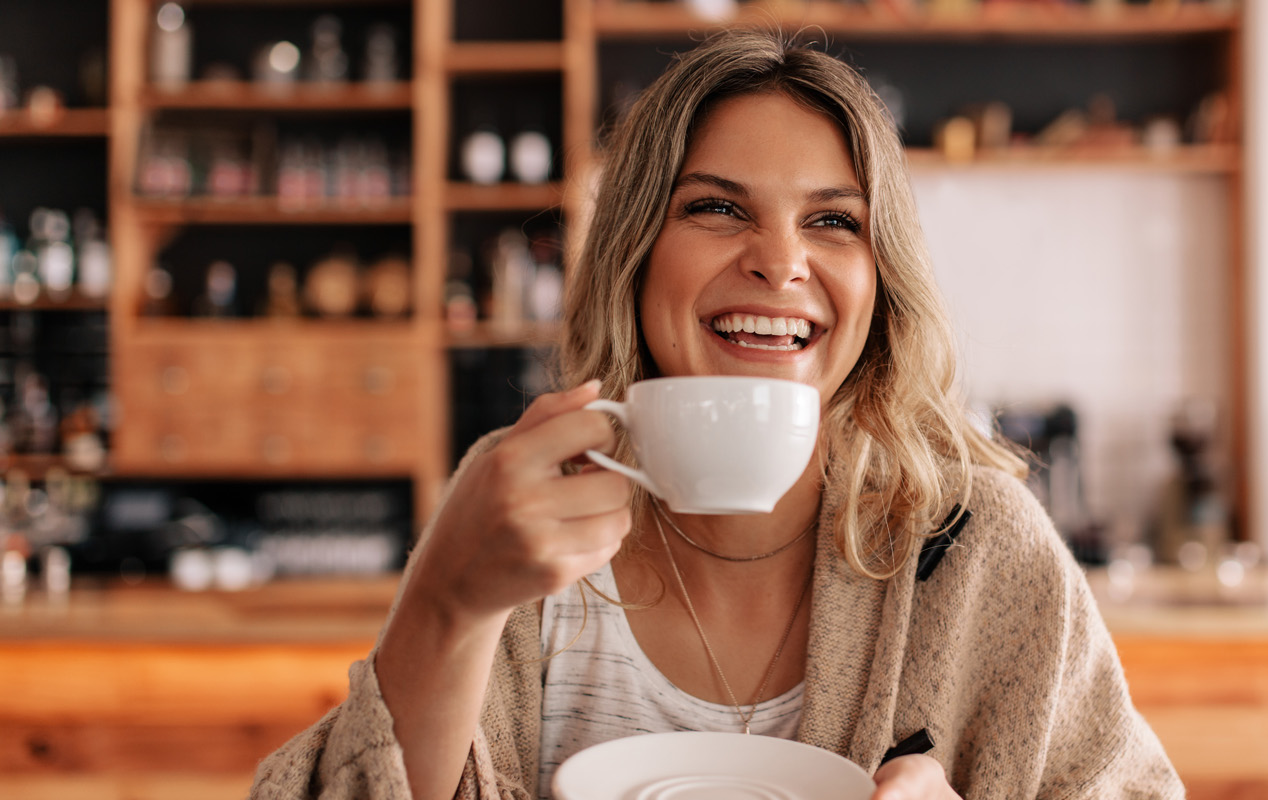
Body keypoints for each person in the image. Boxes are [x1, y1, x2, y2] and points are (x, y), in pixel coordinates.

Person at [251, 29, 1182, 800]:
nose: (779, 263)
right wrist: (446, 604)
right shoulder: (519, 520)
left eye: (832, 222)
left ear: (879, 281)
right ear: (634, 254)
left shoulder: (977, 548)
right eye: (715, 208)